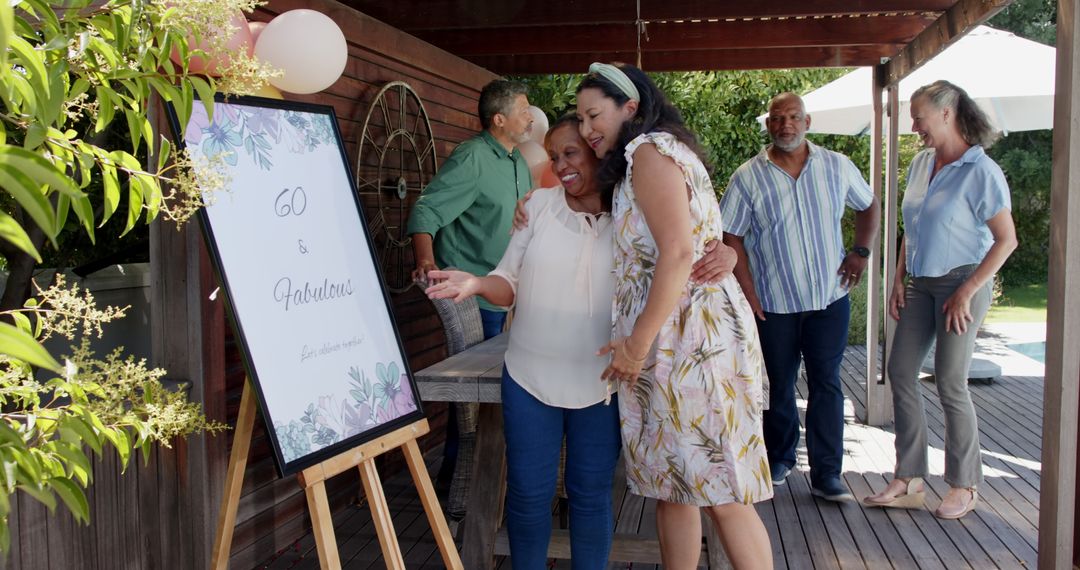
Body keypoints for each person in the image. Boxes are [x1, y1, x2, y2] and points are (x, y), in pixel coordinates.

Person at [428, 115, 736, 569]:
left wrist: (724, 253)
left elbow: (682, 252)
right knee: (528, 493)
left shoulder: (634, 212)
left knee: (590, 494)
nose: (561, 165)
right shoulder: (537, 207)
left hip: (604, 382)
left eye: (571, 153)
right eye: (553, 156)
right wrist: (476, 285)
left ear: (599, 153)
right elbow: (506, 281)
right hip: (531, 375)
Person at [578, 62, 772, 570]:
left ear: (630, 108)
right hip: (678, 339)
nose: (585, 129)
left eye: (593, 115)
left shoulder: (649, 151)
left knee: (723, 490)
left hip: (690, 343)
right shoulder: (641, 159)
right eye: (579, 120)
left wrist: (636, 344)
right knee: (674, 487)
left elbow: (679, 254)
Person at [864, 80, 1017, 519]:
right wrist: (897, 278)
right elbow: (912, 229)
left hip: (962, 284)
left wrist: (968, 290)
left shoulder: (980, 170)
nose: (915, 126)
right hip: (919, 281)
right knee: (900, 370)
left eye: (919, 118)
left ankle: (964, 483)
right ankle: (909, 478)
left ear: (947, 114)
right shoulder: (921, 164)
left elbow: (1006, 241)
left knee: (950, 380)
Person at [720, 92, 880, 502]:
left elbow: (868, 205)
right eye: (777, 118)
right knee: (778, 385)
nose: (785, 125)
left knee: (827, 384)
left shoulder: (836, 166)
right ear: (768, 124)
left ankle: (828, 474)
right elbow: (730, 235)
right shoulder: (747, 176)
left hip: (829, 299)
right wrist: (748, 292)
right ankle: (780, 457)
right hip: (774, 303)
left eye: (793, 117)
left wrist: (861, 251)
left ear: (807, 121)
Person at [406, 79, 533, 494]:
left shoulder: (518, 162)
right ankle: (459, 486)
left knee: (507, 395)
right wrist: (425, 258)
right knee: (476, 401)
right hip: (475, 295)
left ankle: (488, 482)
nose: (531, 117)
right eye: (524, 110)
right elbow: (427, 208)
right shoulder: (472, 159)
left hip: (510, 294)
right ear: (500, 119)